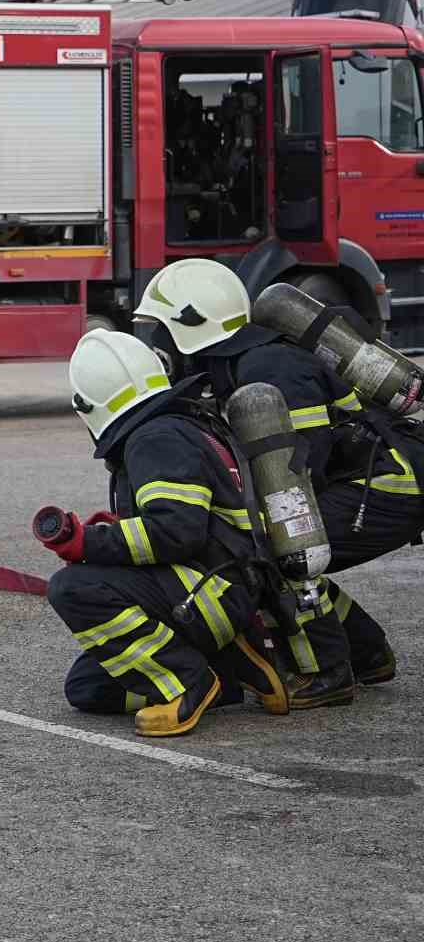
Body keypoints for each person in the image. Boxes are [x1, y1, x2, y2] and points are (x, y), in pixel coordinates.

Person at [135, 257, 401, 700]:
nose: (159, 339)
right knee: (268, 543)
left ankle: (329, 674)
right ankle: (368, 653)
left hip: (390, 485)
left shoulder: (268, 367)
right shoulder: (241, 363)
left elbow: (302, 468)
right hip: (370, 480)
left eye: (163, 326)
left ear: (190, 322)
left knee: (269, 548)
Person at [39, 329, 287, 737]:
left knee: (72, 588)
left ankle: (190, 683)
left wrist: (87, 543)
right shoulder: (176, 425)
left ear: (88, 407)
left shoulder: (155, 439)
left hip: (213, 589)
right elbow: (187, 523)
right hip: (218, 584)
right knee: (89, 688)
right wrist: (118, 532)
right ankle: (232, 669)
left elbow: (177, 532)